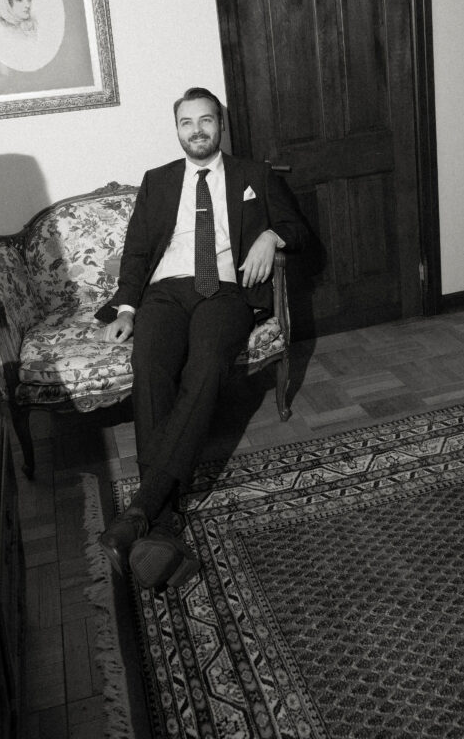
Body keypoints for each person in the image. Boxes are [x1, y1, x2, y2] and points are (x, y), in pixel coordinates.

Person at [96, 86, 311, 591]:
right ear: (177, 130)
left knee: (208, 365)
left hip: (226, 292)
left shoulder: (253, 175)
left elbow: (298, 230)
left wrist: (270, 235)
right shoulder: (158, 181)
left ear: (221, 125)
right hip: (166, 293)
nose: (197, 129)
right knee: (149, 366)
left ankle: (142, 511)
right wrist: (128, 307)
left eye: (206, 120)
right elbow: (135, 252)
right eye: (187, 122)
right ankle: (162, 519)